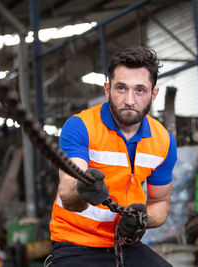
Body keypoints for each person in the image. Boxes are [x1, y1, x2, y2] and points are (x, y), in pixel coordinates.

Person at [49, 45, 177, 266]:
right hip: (76, 243)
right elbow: (69, 195)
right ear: (107, 89)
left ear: (153, 94)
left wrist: (142, 219)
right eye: (121, 89)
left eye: (140, 90)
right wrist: (84, 190)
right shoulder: (81, 127)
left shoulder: (164, 141)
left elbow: (161, 203)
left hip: (125, 244)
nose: (129, 100)